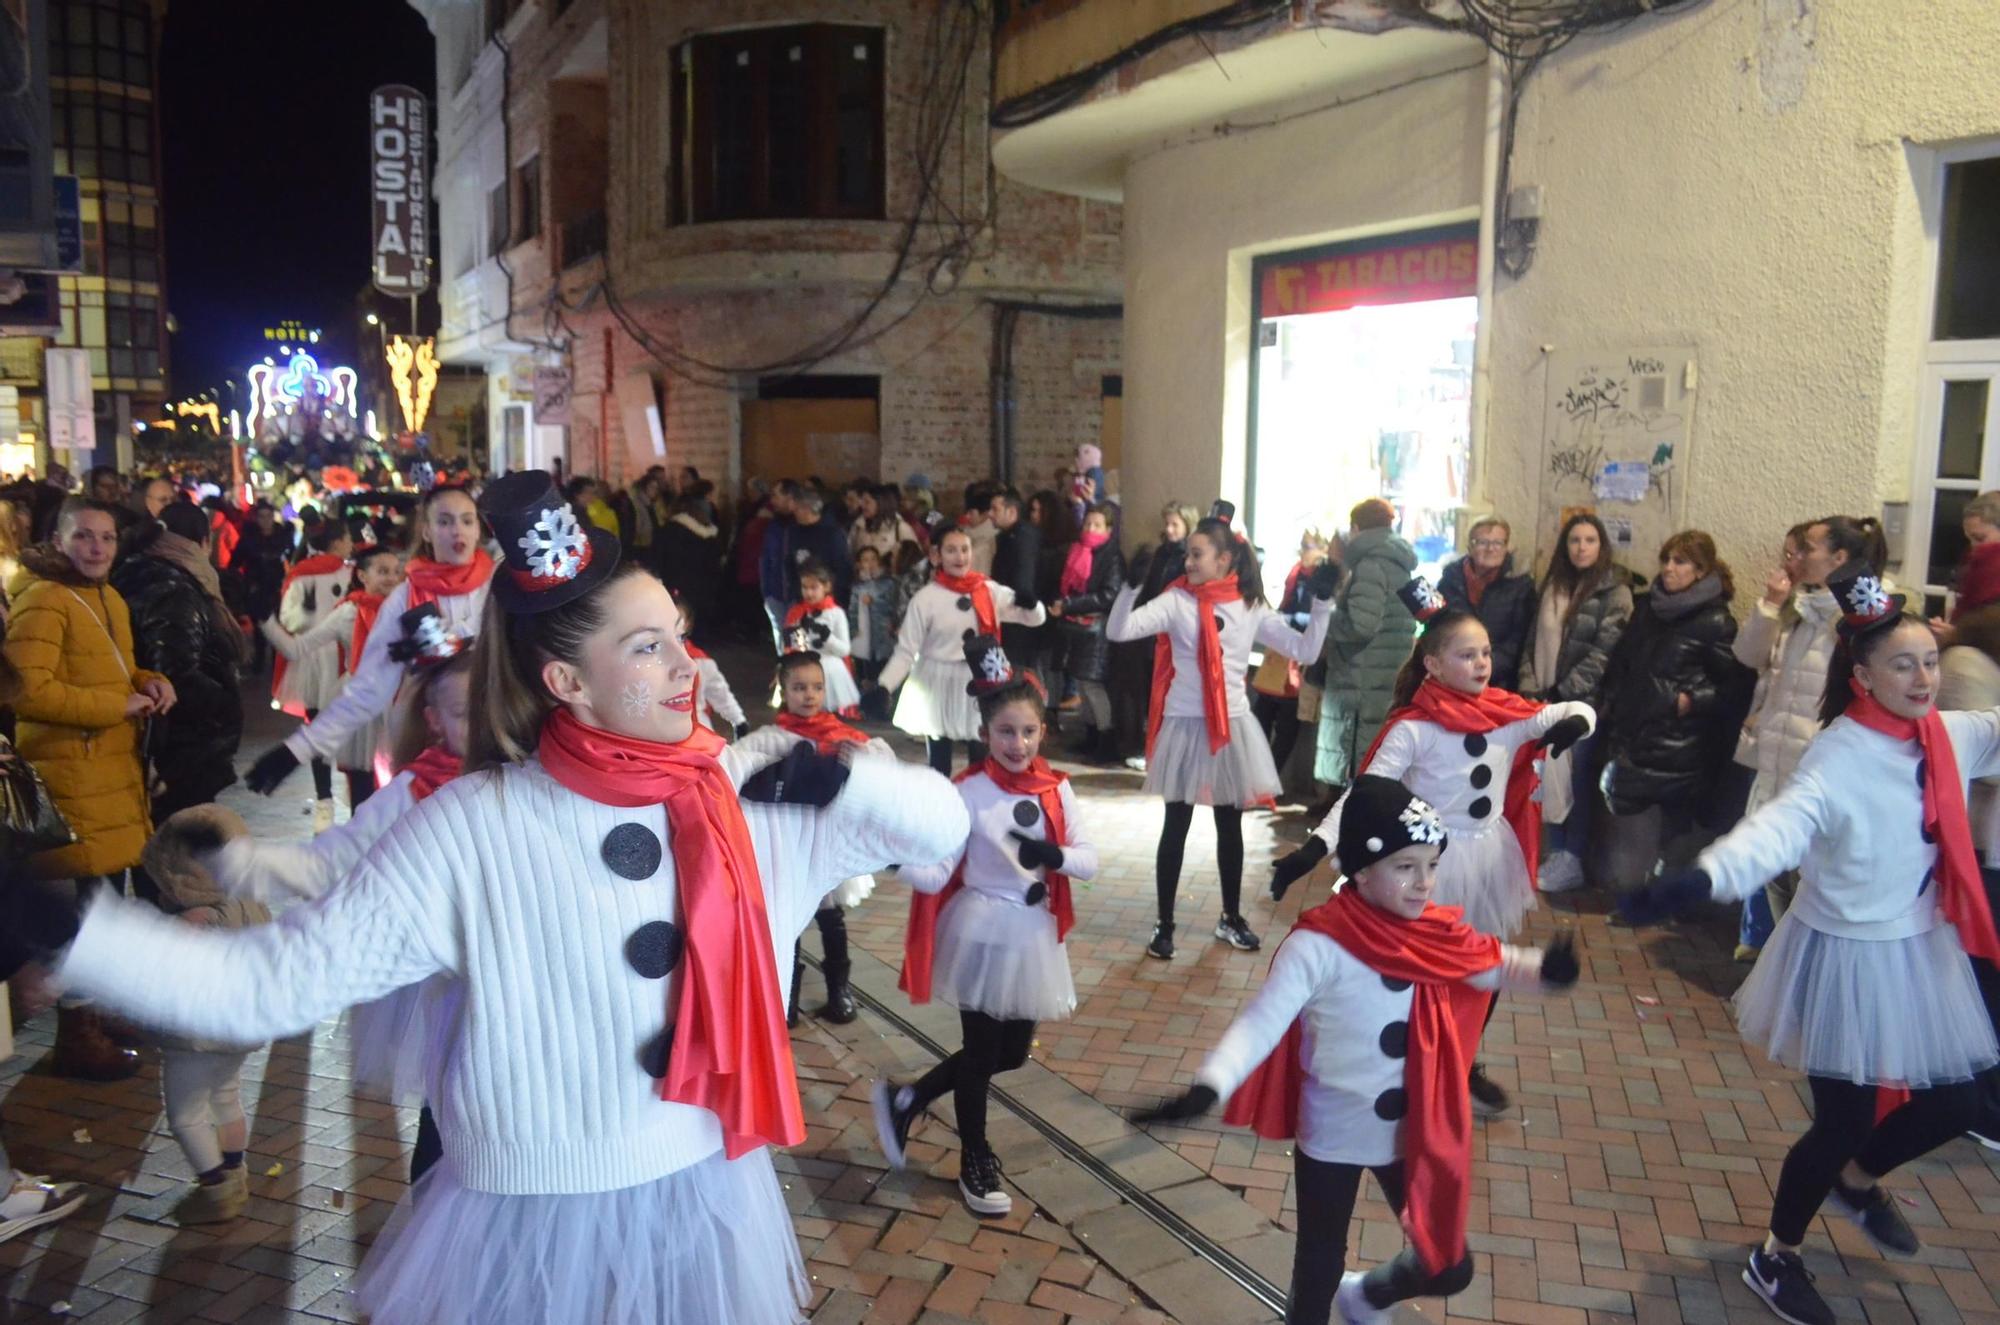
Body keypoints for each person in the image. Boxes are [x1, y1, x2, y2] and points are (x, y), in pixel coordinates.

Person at [15, 470, 971, 1325]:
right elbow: (270, 984)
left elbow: (945, 838)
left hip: (704, 1198)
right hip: (525, 1230)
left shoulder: (748, 791)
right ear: (565, 680)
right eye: (649, 649)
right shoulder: (471, 825)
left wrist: (853, 780)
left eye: (679, 634)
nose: (690, 668)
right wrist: (67, 930)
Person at [1621, 564, 2000, 1325]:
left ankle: (1856, 1182)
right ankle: (1777, 1253)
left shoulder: (1951, 734)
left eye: (1930, 658)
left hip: (1921, 945)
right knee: (1843, 1118)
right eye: (1903, 663)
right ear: (1862, 675)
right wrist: (1697, 880)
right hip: (1846, 956)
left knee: (1963, 1098)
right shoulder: (1839, 756)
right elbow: (1778, 830)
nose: (1924, 676)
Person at [1136, 777, 1581, 1325]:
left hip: (1411, 1131)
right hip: (1334, 1133)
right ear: (1362, 871)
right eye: (1405, 867)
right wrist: (1210, 1084)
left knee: (1448, 1267)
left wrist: (1548, 971)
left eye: (1432, 866)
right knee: (1319, 1262)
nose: (1424, 884)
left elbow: (1495, 965)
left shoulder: (1435, 934)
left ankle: (1366, 1296)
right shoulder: (1318, 944)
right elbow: (1262, 1024)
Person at [1272, 589, 1592, 1113]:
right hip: (1428, 865)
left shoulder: (1505, 717)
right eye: (1467, 655)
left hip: (1489, 860)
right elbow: (1365, 792)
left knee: (1483, 965)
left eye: (1486, 652)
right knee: (1417, 969)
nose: (1482, 663)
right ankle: (1405, 1064)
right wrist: (1312, 850)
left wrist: (1577, 721)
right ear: (1434, 664)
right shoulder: (1413, 729)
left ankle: (1461, 1063)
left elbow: (1568, 710)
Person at [877, 636, 1096, 1216]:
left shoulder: (1057, 788)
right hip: (979, 929)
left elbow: (1089, 859)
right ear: (985, 734)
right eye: (1005, 731)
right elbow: (941, 870)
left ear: (1042, 732)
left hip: (1031, 934)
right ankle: (974, 1158)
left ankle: (910, 1098)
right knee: (979, 1054)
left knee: (1012, 1054)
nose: (1017, 743)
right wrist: (892, 860)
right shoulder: (967, 792)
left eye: (1027, 731)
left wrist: (1055, 858)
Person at [1107, 516, 1336, 959]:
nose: (1188, 561)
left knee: (1229, 826)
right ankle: (1164, 924)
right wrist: (1132, 588)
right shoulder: (1176, 601)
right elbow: (1119, 631)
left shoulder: (1248, 605)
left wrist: (1323, 603)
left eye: (1197, 554)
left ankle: (1230, 917)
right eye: (1187, 554)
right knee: (1176, 826)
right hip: (1184, 724)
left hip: (1230, 726)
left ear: (1224, 559)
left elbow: (1305, 650)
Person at [2, 498, 175, 1080]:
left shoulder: (109, 598)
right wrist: (114, 705)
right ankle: (76, 1032)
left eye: (106, 538)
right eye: (83, 537)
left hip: (109, 779)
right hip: (71, 783)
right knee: (79, 911)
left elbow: (114, 671)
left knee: (103, 904)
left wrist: (150, 683)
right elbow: (26, 691)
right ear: (58, 540)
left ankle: (95, 1012)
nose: (96, 548)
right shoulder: (46, 600)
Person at [244, 486, 491, 797]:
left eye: (467, 521)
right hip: (425, 748)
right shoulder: (405, 598)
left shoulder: (498, 586)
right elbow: (369, 688)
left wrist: (450, 641)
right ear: (427, 531)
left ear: (478, 528)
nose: (458, 530)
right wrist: (297, 750)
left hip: (493, 744)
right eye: (445, 522)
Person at [737, 638, 889, 1027]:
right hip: (789, 848)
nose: (809, 695)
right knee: (790, 921)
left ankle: (840, 990)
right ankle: (786, 997)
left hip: (828, 843)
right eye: (799, 687)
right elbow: (736, 768)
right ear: (783, 690)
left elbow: (879, 765)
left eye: (816, 687)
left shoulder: (842, 735)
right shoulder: (771, 737)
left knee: (831, 917)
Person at [1593, 530, 1751, 887]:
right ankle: (1638, 892)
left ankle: (1667, 901)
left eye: (1680, 562)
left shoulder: (1715, 621)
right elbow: (1625, 659)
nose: (1668, 569)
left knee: (1675, 830)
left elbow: (1734, 687)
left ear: (1701, 570)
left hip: (1682, 743)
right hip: (1638, 733)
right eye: (1666, 560)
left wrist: (1690, 701)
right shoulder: (1648, 607)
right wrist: (1612, 700)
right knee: (1628, 814)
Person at [138, 806, 271, 1223]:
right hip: (238, 1030)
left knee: (185, 1114)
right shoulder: (254, 907)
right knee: (226, 1096)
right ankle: (235, 1171)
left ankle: (214, 1189)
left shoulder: (192, 924)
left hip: (194, 1037)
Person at [1729, 522, 1838, 957]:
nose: (1789, 563)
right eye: (1788, 553)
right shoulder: (1794, 609)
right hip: (1774, 744)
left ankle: (1790, 952)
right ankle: (1761, 940)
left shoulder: (1841, 614)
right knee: (1766, 851)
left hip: (1810, 751)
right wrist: (1770, 606)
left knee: (1800, 864)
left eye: (1800, 553)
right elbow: (1749, 655)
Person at [1520, 512, 1634, 893]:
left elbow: (1604, 652)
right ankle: (1555, 852)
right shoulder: (1553, 585)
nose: (1581, 548)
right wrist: (1531, 686)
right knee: (1549, 779)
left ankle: (1572, 857)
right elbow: (1531, 640)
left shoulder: (1614, 591)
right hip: (1544, 701)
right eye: (1574, 540)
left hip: (1583, 706)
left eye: (1589, 540)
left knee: (1576, 779)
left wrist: (1563, 692)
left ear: (1601, 546)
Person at [112, 503, 247, 823]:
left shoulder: (137, 572)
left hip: (160, 739)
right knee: (177, 845)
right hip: (179, 745)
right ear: (204, 542)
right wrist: (226, 704)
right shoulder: (173, 587)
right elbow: (175, 672)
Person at [878, 527, 1046, 776]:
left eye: (964, 549)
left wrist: (1031, 604)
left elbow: (1034, 619)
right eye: (951, 550)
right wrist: (884, 686)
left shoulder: (988, 590)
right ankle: (941, 803)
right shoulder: (926, 599)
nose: (959, 557)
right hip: (937, 681)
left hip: (980, 677)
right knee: (939, 755)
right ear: (937, 556)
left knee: (982, 748)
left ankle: (979, 801)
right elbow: (906, 650)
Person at [1314, 499, 1419, 795]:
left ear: (1357, 528)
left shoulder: (1370, 564)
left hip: (1359, 678)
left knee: (1358, 762)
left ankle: (1346, 831)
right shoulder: (1399, 563)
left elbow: (1361, 625)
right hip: (1384, 675)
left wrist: (1325, 621)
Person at [270, 519, 357, 829]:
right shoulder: (351, 573)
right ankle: (355, 794)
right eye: (348, 538)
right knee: (354, 731)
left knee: (317, 729)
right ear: (337, 542)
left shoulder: (300, 574)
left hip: (310, 662)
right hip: (343, 658)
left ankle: (324, 802)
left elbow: (289, 620)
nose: (350, 544)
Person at [1112, 501, 1197, 769]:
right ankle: (1152, 748)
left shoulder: (1188, 558)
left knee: (1168, 694)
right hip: (1153, 628)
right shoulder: (1161, 553)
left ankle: (1167, 752)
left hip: (1174, 633)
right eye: (1167, 524)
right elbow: (1150, 590)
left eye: (1175, 524)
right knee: (1150, 692)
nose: (1169, 530)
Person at [1047, 502, 1126, 763]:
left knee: (1094, 686)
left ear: (1109, 529)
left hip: (1096, 629)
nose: (1090, 529)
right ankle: (1091, 734)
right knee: (1082, 683)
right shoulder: (1076, 551)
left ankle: (1106, 737)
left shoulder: (1112, 556)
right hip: (1076, 628)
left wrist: (1070, 604)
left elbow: (1108, 595)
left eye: (1097, 525)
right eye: (1088, 523)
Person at [1437, 516, 1535, 693]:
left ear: (1506, 548)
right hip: (1452, 679)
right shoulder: (1450, 579)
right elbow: (1437, 627)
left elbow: (1519, 641)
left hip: (1499, 683)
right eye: (1482, 542)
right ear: (1470, 547)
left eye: (1498, 543)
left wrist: (1480, 667)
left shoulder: (1520, 585)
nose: (1490, 549)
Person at [782, 560, 859, 715]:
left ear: (826, 587)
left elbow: (845, 650)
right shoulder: (799, 612)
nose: (809, 593)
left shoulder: (836, 613)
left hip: (830, 672)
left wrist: (827, 637)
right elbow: (798, 648)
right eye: (805, 587)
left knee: (828, 716)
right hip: (806, 671)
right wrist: (796, 635)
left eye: (814, 588)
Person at [672, 597, 748, 739]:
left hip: (699, 730)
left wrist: (738, 720)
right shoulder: (647, 661)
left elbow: (719, 693)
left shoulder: (701, 662)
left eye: (676, 619)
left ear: (687, 624)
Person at [654, 493, 723, 639]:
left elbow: (661, 556)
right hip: (705, 585)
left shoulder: (673, 529)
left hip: (680, 582)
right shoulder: (711, 532)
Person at [847, 546, 896, 689]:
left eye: (873, 559)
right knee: (865, 671)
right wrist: (853, 629)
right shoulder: (857, 586)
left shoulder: (888, 583)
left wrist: (873, 600)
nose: (870, 563)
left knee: (884, 669)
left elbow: (892, 606)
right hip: (863, 637)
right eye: (865, 560)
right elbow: (853, 610)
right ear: (859, 564)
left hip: (884, 634)